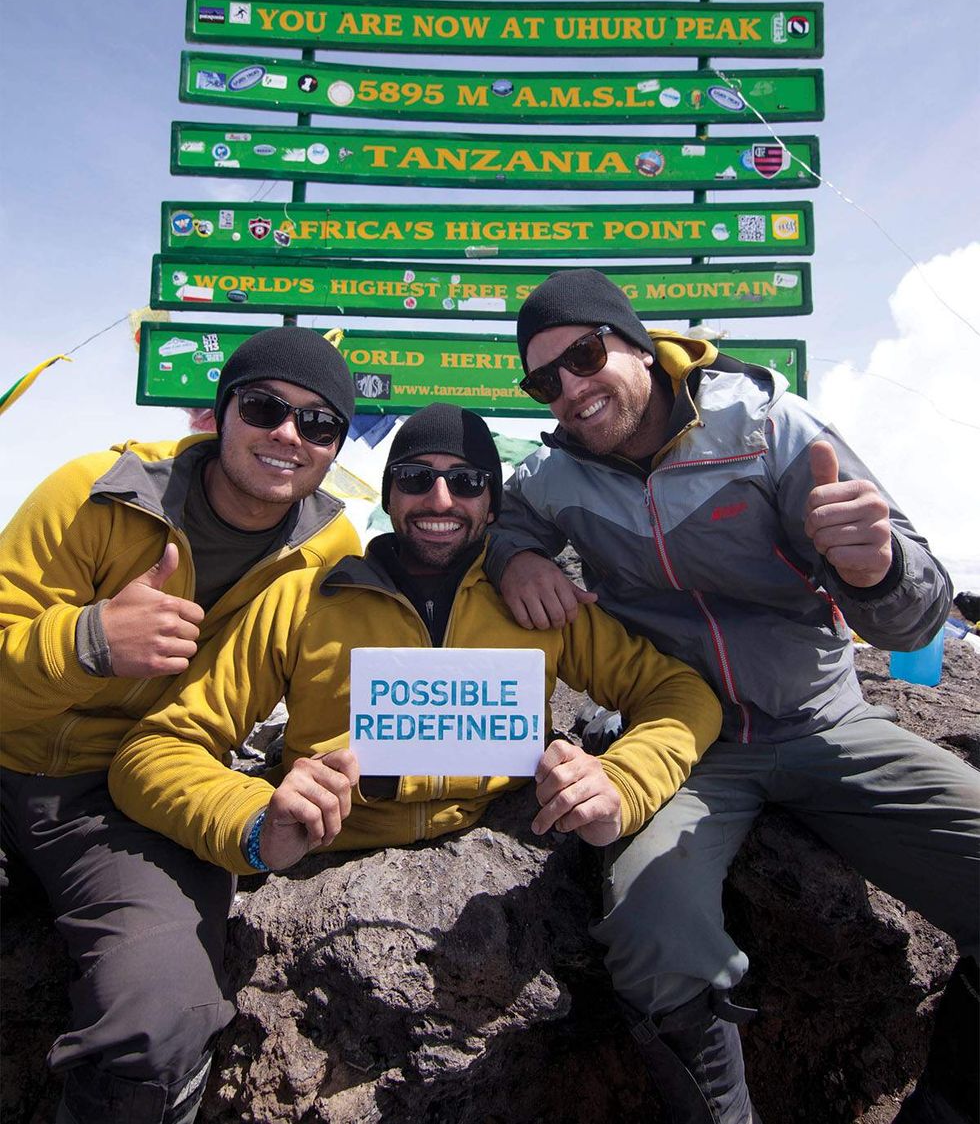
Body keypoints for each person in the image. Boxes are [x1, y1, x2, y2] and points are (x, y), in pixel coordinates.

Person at [482, 268, 980, 1124]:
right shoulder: (553, 475)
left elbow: (917, 611)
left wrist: (877, 567)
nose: (569, 388)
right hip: (687, 744)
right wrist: (515, 558)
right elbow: (503, 527)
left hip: (826, 720)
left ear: (638, 344)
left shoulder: (771, 427)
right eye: (543, 380)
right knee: (652, 935)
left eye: (586, 354)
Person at [108, 404, 720, 967]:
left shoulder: (539, 603)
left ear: (493, 504)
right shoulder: (302, 599)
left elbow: (681, 694)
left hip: (506, 883)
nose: (440, 498)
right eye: (415, 476)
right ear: (389, 491)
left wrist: (622, 782)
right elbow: (155, 751)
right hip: (323, 893)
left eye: (468, 482)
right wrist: (253, 820)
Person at [0, 327, 361, 1124]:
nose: (287, 435)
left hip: (124, 803)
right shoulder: (95, 493)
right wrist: (92, 640)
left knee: (160, 1016)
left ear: (338, 444)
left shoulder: (329, 552)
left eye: (319, 422)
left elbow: (323, 726)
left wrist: (269, 816)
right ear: (218, 413)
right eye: (264, 406)